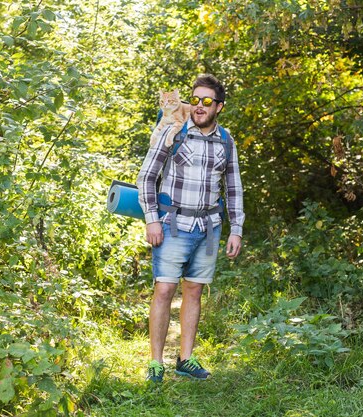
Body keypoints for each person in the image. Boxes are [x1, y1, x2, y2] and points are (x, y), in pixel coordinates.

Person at [136, 74, 245, 382]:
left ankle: (185, 359)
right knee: (165, 289)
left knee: (194, 291)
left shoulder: (226, 141)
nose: (199, 106)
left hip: (209, 227)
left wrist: (236, 228)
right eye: (195, 99)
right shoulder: (174, 133)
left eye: (206, 101)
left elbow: (234, 187)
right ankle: (156, 363)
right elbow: (146, 177)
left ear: (219, 107)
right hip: (172, 224)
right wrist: (152, 219)